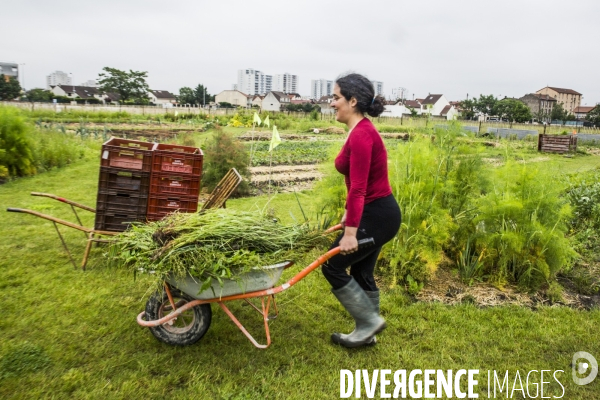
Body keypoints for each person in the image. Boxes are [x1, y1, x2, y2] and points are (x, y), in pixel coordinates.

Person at [323, 73, 401, 348]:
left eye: (336, 97)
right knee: (361, 272)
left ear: (353, 101)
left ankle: (368, 323)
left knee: (333, 266)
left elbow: (359, 188)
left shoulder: (362, 135)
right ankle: (368, 331)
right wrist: (349, 214)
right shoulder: (360, 131)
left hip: (378, 214)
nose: (332, 103)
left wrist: (350, 233)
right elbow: (356, 183)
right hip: (377, 213)